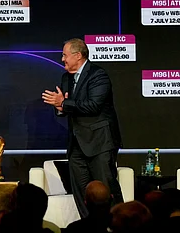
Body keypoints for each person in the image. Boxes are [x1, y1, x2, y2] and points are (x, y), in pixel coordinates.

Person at [41, 38, 123, 218]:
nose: (62, 59)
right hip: (77, 144)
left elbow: (93, 106)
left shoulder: (98, 75)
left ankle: (118, 225)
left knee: (106, 190)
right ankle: (89, 226)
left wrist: (64, 103)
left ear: (78, 55)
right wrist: (60, 107)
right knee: (81, 192)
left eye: (65, 55)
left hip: (100, 142)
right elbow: (67, 106)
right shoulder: (66, 78)